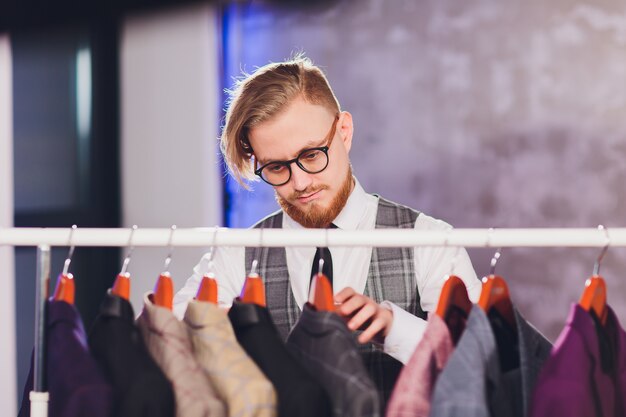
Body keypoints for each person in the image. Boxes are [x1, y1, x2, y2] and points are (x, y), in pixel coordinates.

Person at [173, 55, 481, 403]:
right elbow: (170, 340)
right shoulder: (237, 254)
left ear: (344, 132)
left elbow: (478, 368)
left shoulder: (428, 240)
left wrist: (394, 328)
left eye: (311, 155)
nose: (301, 183)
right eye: (276, 167)